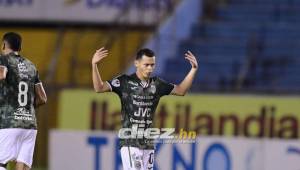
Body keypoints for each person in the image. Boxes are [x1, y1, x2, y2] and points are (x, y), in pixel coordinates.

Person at [92, 47, 198, 170]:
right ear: (136, 63)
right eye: (146, 65)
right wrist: (94, 65)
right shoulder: (124, 82)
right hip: (130, 142)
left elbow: (181, 90)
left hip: (148, 143)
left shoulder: (157, 84)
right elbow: (99, 88)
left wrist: (193, 69)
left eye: (152, 65)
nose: (150, 69)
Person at [0, 32, 47, 170]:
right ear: (20, 48)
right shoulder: (31, 66)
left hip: (9, 122)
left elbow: (2, 75)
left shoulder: (4, 60)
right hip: (30, 125)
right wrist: (25, 108)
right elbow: (43, 98)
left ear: (3, 45)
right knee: (22, 167)